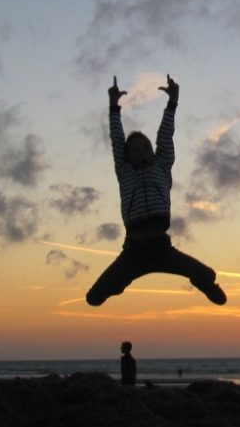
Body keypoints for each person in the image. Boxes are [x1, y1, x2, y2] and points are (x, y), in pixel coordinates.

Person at [85, 75, 227, 306]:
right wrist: (113, 107)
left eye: (145, 148)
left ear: (152, 152)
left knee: (207, 274)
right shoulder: (124, 171)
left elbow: (165, 136)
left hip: (162, 249)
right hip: (133, 252)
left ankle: (206, 284)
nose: (140, 153)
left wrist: (172, 102)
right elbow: (116, 139)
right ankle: (119, 282)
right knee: (93, 298)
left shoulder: (162, 166)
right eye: (134, 150)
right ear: (127, 157)